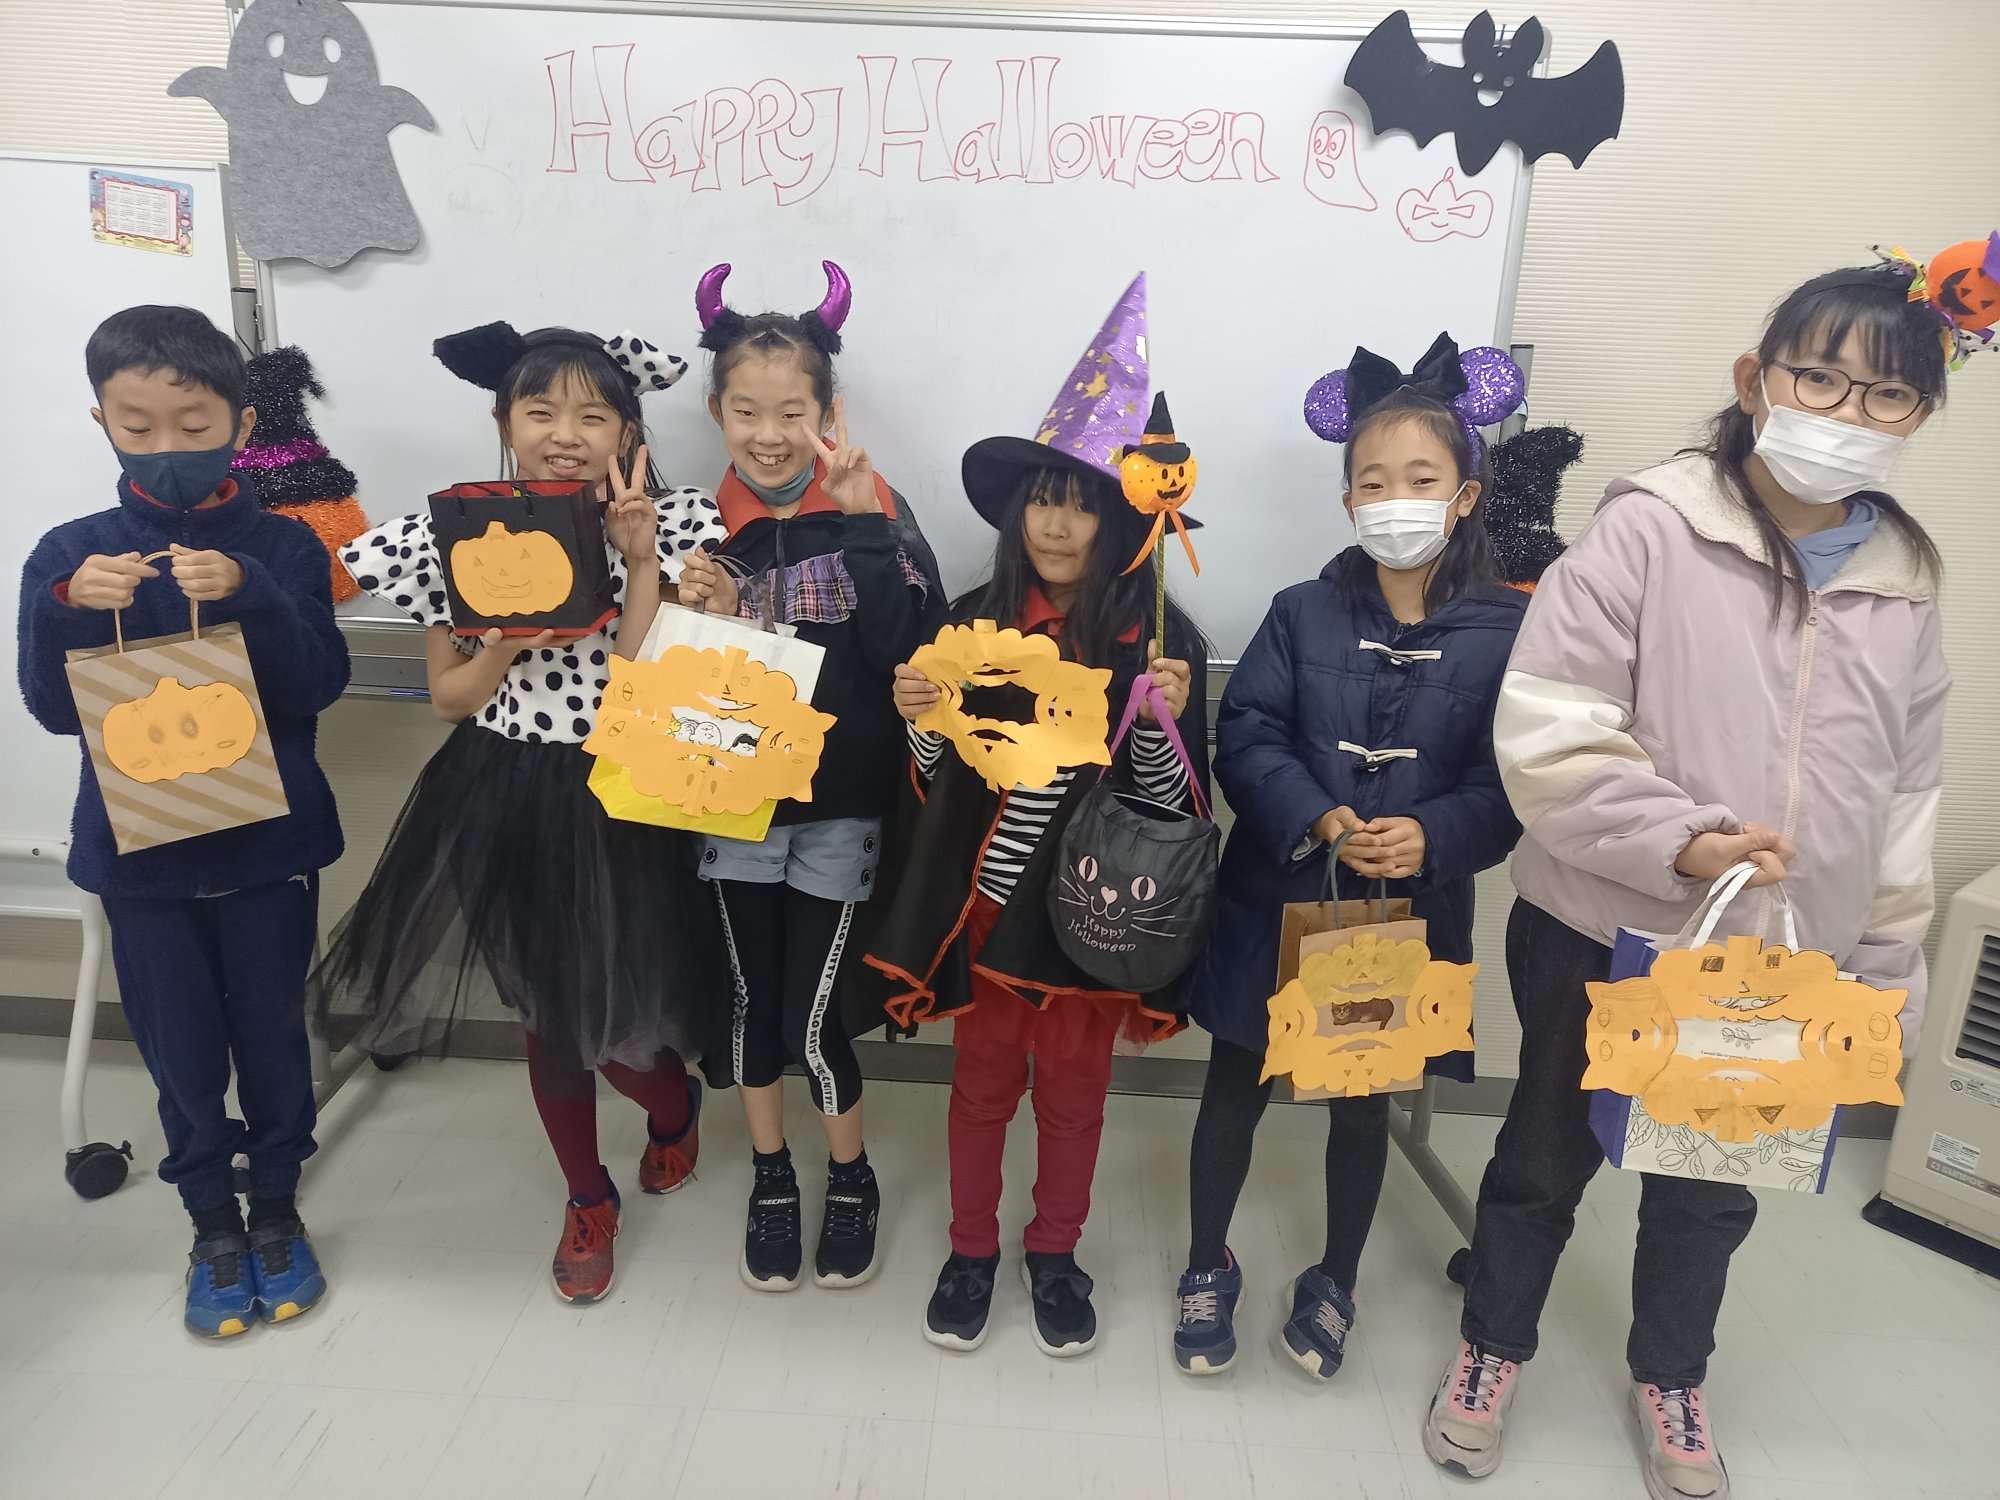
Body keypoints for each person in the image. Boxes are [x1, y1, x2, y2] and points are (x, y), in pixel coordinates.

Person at [1423, 258, 1959, 1500]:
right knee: (1543, 1157)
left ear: (1918, 414)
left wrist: (1883, 970)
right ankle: (1490, 1347)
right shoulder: (1650, 529)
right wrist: (1680, 838)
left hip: (1786, 951)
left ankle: (1670, 1372)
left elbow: (1901, 798)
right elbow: (1549, 729)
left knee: (1713, 1185)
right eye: (1816, 378)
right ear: (1753, 380)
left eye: (1883, 394)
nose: (1844, 412)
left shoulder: (1902, 585)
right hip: (1605, 927)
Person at [312, 320, 726, 1305]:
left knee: (628, 1026)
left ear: (628, 432)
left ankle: (673, 1107)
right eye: (541, 411)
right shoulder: (453, 536)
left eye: (593, 415)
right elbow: (450, 699)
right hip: (505, 790)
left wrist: (636, 562)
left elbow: (641, 676)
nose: (565, 434)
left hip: (625, 793)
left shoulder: (670, 525)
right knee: (549, 1015)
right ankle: (587, 1197)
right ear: (505, 423)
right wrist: (500, 637)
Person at [866, 275, 1210, 1358]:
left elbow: (1174, 810)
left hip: (1092, 917)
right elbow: (934, 785)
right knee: (978, 1091)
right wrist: (920, 717)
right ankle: (970, 1250)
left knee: (1071, 1097)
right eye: (1043, 499)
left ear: (1123, 517)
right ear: (1017, 511)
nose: (1058, 522)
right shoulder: (969, 622)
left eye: (1085, 502)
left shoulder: (1159, 640)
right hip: (984, 907)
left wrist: (1157, 720)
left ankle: (1054, 1251)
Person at [1173, 334, 1528, 1379]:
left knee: (1365, 1097)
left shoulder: (1512, 629)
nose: (1394, 499)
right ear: (1346, 501)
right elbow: (1247, 735)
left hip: (1405, 912)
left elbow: (1514, 777)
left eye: (1419, 479)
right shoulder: (1299, 611)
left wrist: (1434, 833)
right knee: (1233, 1080)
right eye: (1371, 482)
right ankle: (1204, 1258)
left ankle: (1336, 1277)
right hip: (1275, 892)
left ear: (1463, 495)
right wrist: (1322, 818)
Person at [17, 305, 350, 1337]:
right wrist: (66, 609)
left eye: (194, 424)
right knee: (181, 1053)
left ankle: (277, 1209)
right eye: (137, 425)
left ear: (241, 425)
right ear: (102, 421)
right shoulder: (70, 554)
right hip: (143, 862)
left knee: (274, 1039)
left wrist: (254, 593)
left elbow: (317, 685)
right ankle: (211, 1224)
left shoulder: (284, 545)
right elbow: (50, 708)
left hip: (266, 850)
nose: (166, 446)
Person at [677, 262, 942, 1292]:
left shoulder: (874, 511)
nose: (770, 434)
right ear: (717, 412)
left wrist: (865, 524)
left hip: (839, 811)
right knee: (749, 1007)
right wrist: (696, 609)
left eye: (793, 412)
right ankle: (771, 1175)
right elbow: (675, 688)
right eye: (746, 411)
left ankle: (851, 1175)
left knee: (814, 1017)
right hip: (734, 807)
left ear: (828, 413)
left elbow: (907, 655)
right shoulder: (703, 527)